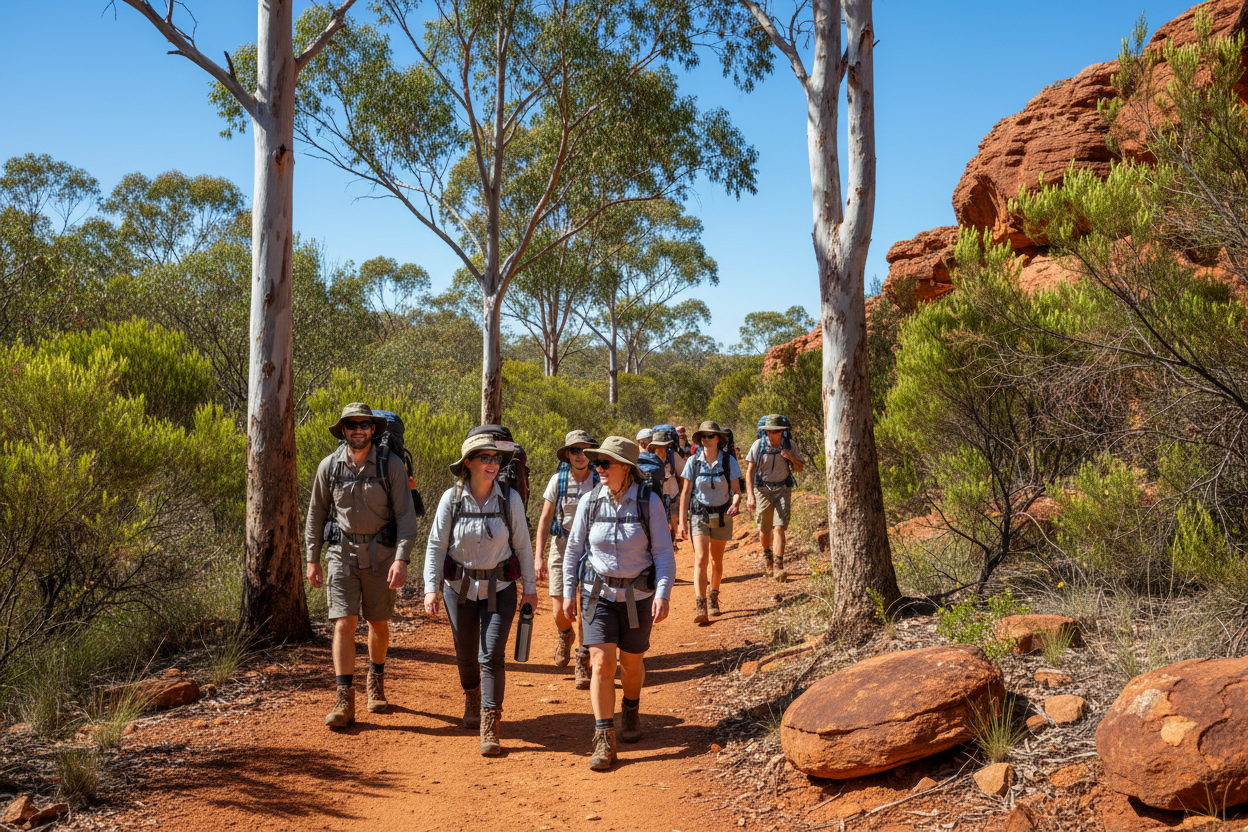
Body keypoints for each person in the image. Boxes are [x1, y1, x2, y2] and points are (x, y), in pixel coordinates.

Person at [562, 437, 675, 771]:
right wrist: (569, 591)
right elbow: (573, 550)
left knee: (631, 664)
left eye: (605, 464)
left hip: (636, 597)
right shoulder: (589, 502)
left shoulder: (648, 502)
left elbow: (663, 553)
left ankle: (631, 706)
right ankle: (604, 738)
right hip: (597, 594)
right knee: (600, 663)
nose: (599, 469)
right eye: (598, 463)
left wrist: (664, 592)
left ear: (626, 468)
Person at [424, 432, 538, 757]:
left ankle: (490, 722)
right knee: (465, 652)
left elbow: (522, 546)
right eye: (485, 457)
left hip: (500, 588)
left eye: (496, 458)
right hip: (458, 589)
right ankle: (471, 694)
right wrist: (431, 588)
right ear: (469, 463)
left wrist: (530, 589)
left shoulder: (509, 499)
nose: (492, 464)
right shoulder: (452, 499)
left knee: (492, 655)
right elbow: (435, 546)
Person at [305, 403, 418, 728]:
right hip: (341, 554)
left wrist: (401, 558)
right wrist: (312, 558)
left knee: (377, 622)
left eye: (364, 424)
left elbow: (406, 517)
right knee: (343, 622)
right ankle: (344, 698)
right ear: (343, 430)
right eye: (352, 424)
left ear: (372, 429)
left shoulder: (391, 465)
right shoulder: (329, 466)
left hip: (382, 555)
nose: (358, 430)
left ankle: (376, 682)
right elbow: (316, 515)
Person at [534, 430, 600, 688]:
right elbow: (544, 519)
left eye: (585, 450)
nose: (581, 455)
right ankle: (565, 635)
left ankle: (582, 661)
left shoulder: (599, 479)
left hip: (591, 549)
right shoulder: (558, 479)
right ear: (568, 454)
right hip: (561, 546)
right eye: (575, 450)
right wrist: (538, 556)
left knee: (587, 609)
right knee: (560, 611)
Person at [677, 421, 742, 625]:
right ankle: (701, 603)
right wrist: (682, 522)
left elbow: (737, 492)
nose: (705, 439)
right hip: (699, 515)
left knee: (717, 561)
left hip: (722, 515)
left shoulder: (728, 461)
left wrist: (736, 503)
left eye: (709, 436)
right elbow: (686, 493)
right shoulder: (693, 462)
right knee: (701, 558)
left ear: (718, 439)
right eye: (702, 436)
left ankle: (714, 595)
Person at [745, 415, 805, 582]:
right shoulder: (758, 445)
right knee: (765, 531)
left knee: (779, 528)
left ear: (782, 431)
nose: (773, 435)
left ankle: (779, 566)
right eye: (770, 431)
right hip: (763, 490)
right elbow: (749, 471)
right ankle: (767, 554)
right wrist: (750, 495)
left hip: (783, 489)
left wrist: (790, 457)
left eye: (776, 431)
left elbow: (799, 468)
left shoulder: (789, 444)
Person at [644, 427, 685, 544]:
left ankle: (672, 546)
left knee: (672, 529)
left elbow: (683, 476)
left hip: (672, 496)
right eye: (658, 446)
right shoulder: (647, 459)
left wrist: (682, 494)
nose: (661, 450)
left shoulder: (673, 456)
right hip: (655, 499)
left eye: (663, 446)